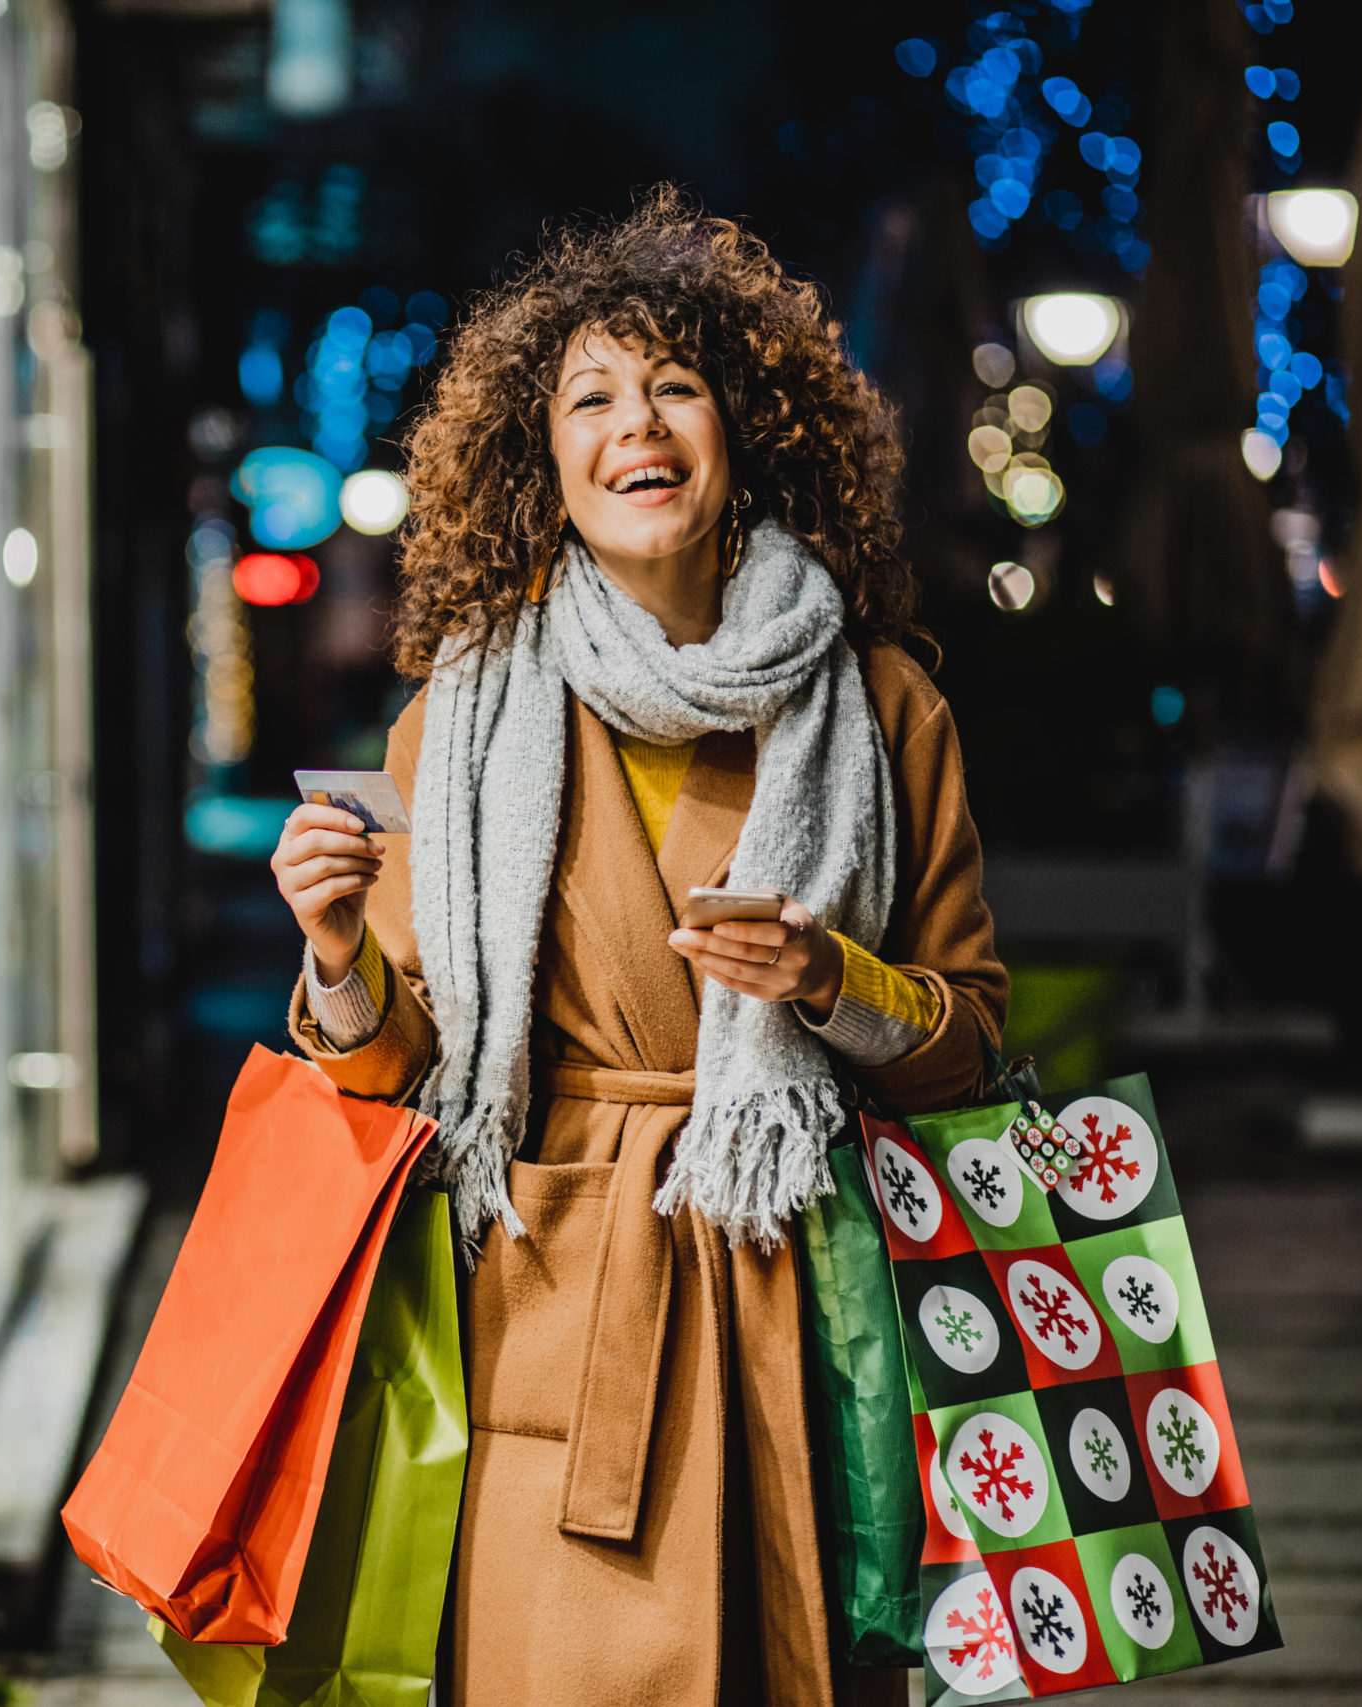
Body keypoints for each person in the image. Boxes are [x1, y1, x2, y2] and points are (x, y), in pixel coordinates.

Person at [268, 191, 1005, 1706]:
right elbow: (401, 1073)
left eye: (676, 385)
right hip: (554, 1307)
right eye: (589, 397)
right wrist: (339, 952)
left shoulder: (880, 708)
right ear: (541, 465)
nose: (637, 424)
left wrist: (833, 985)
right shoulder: (460, 726)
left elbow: (975, 1040)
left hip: (799, 1306)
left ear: (744, 430)